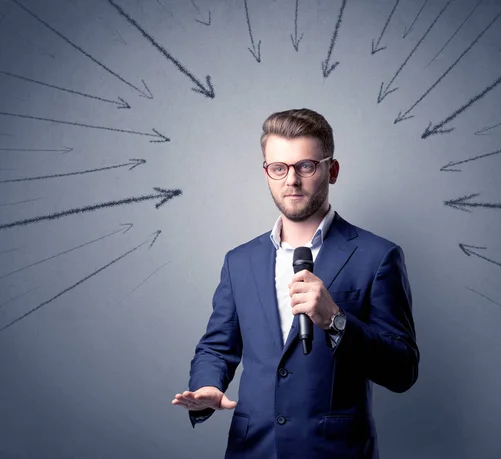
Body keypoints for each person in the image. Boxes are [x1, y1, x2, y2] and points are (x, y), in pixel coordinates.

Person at [172, 108, 419, 458]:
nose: (291, 180)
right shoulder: (239, 261)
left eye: (306, 166)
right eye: (279, 168)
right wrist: (208, 386)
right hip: (252, 449)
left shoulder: (378, 256)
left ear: (331, 171)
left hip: (335, 451)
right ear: (267, 173)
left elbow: (403, 369)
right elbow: (217, 346)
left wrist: (336, 320)